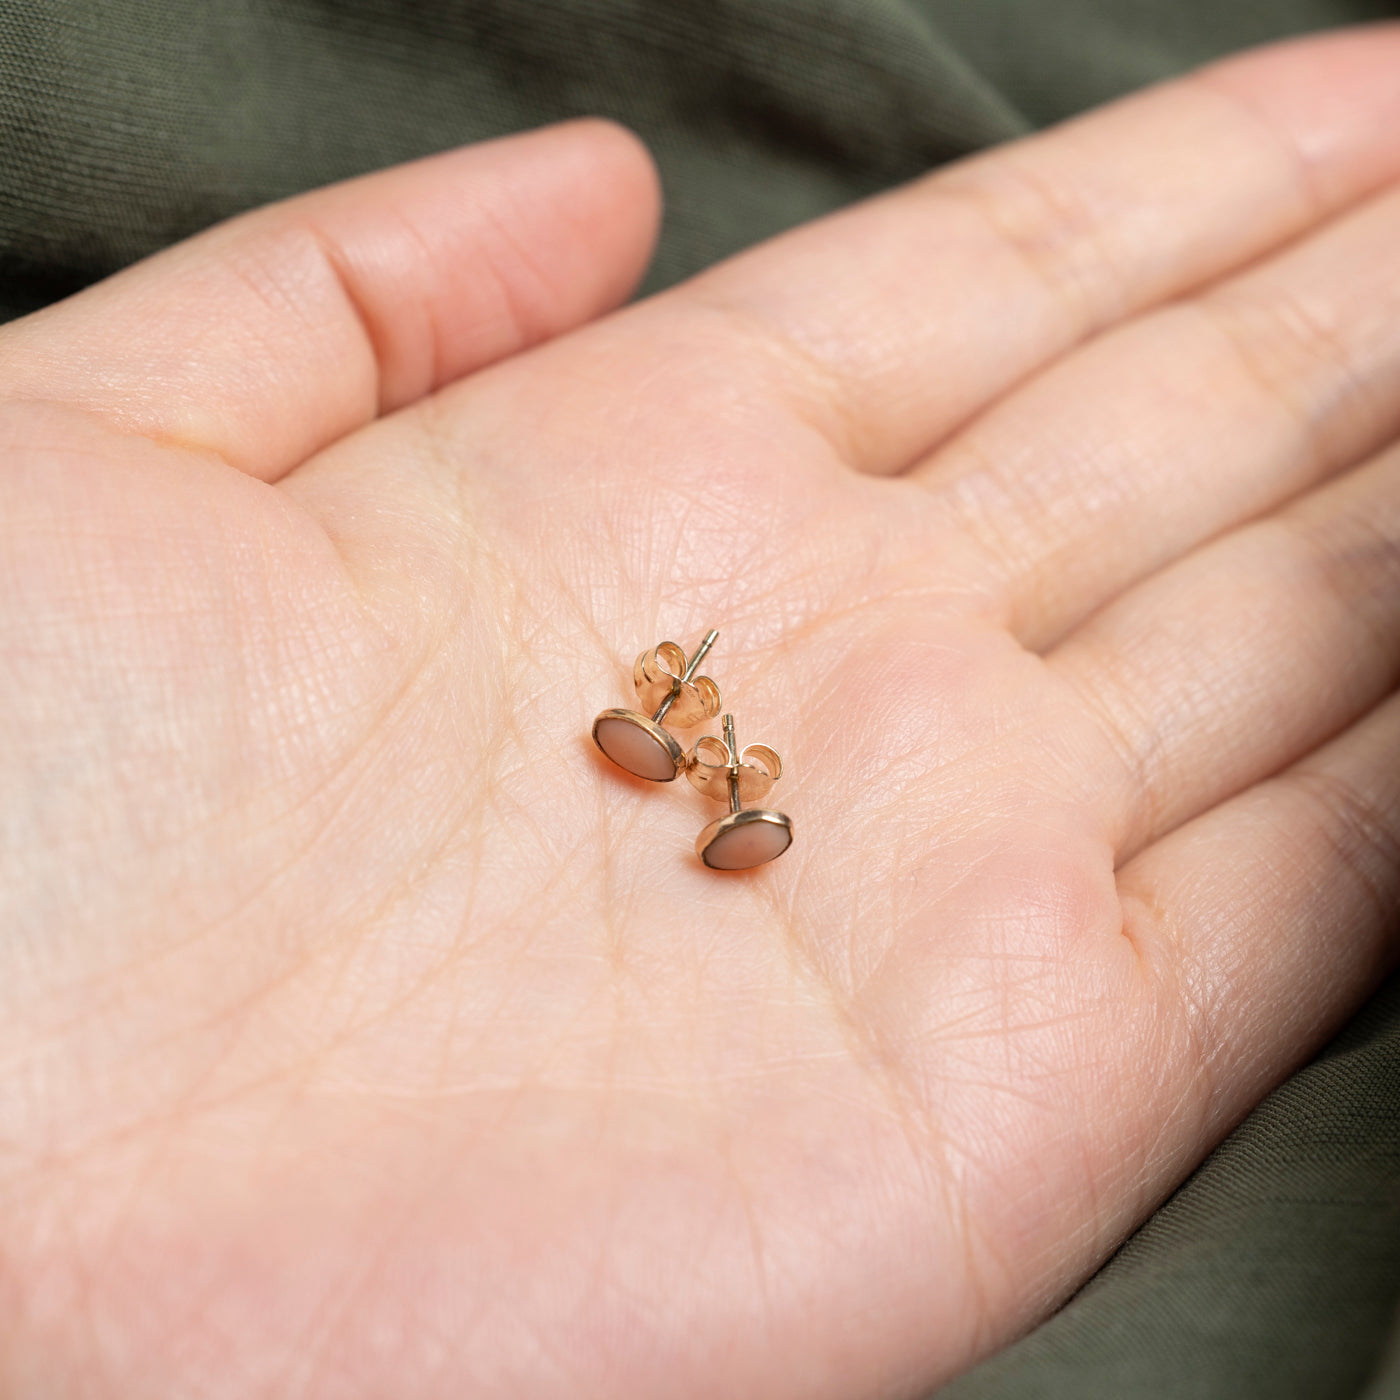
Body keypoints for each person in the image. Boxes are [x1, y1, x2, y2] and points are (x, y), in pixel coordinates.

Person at [1, 19, 1398, 1398]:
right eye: (699, 750)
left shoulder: (714, 766)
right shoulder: (678, 752)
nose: (703, 764)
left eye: (706, 754)